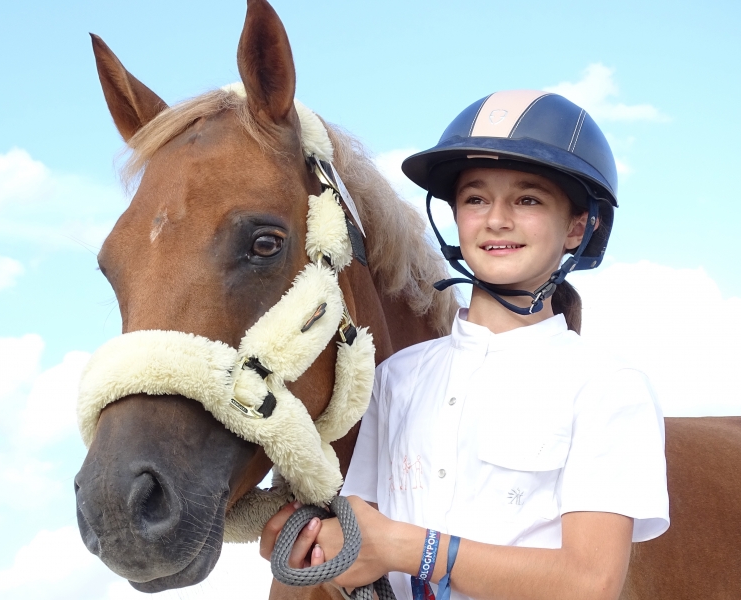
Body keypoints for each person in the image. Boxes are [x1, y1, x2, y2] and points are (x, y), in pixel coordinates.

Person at [260, 90, 669, 600]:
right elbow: (362, 546)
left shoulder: (610, 388)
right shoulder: (394, 378)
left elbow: (590, 582)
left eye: (528, 199)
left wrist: (409, 548)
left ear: (577, 227)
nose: (496, 219)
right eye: (476, 199)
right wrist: (314, 547)